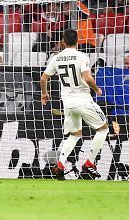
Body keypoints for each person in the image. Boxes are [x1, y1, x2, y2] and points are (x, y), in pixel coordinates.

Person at [40, 28, 109, 180]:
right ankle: (89, 163)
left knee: (75, 135)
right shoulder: (81, 56)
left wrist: (44, 94)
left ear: (63, 42)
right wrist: (97, 89)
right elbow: (88, 78)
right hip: (83, 100)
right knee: (103, 129)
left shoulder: (56, 58)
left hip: (68, 103)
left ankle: (60, 164)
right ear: (78, 41)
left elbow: (43, 78)